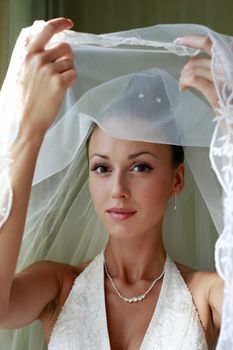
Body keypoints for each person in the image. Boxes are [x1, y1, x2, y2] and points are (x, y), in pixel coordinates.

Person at [0, 18, 228, 349]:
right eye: (102, 168)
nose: (117, 189)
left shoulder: (207, 296)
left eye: (140, 166)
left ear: (176, 180)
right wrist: (31, 130)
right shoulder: (58, 285)